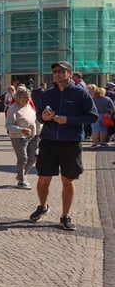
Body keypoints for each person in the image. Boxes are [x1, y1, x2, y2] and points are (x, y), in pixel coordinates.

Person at [29, 61, 98, 231]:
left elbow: (93, 116)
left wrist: (68, 120)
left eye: (61, 71)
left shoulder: (80, 94)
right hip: (49, 141)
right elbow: (38, 114)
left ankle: (65, 216)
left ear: (69, 73)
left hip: (71, 143)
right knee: (43, 179)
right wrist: (44, 117)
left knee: (68, 180)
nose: (57, 74)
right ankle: (43, 206)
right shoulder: (48, 94)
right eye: (55, 71)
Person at [5, 87, 40, 189]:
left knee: (33, 158)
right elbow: (8, 125)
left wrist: (39, 131)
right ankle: (21, 180)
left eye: (29, 98)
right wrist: (21, 129)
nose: (28, 100)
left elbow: (35, 119)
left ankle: (22, 175)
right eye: (25, 98)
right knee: (23, 159)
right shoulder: (12, 109)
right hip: (18, 137)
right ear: (19, 98)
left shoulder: (29, 106)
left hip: (33, 136)